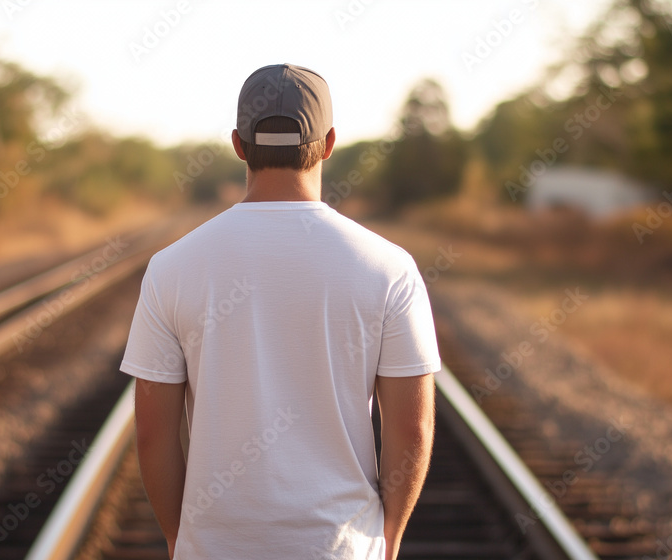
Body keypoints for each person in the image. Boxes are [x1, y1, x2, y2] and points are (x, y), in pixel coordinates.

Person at [120, 63, 440, 560]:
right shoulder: (389, 268)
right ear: (329, 142)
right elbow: (411, 428)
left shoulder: (171, 267)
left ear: (238, 144)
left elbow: (152, 431)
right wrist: (389, 538)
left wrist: (179, 540)